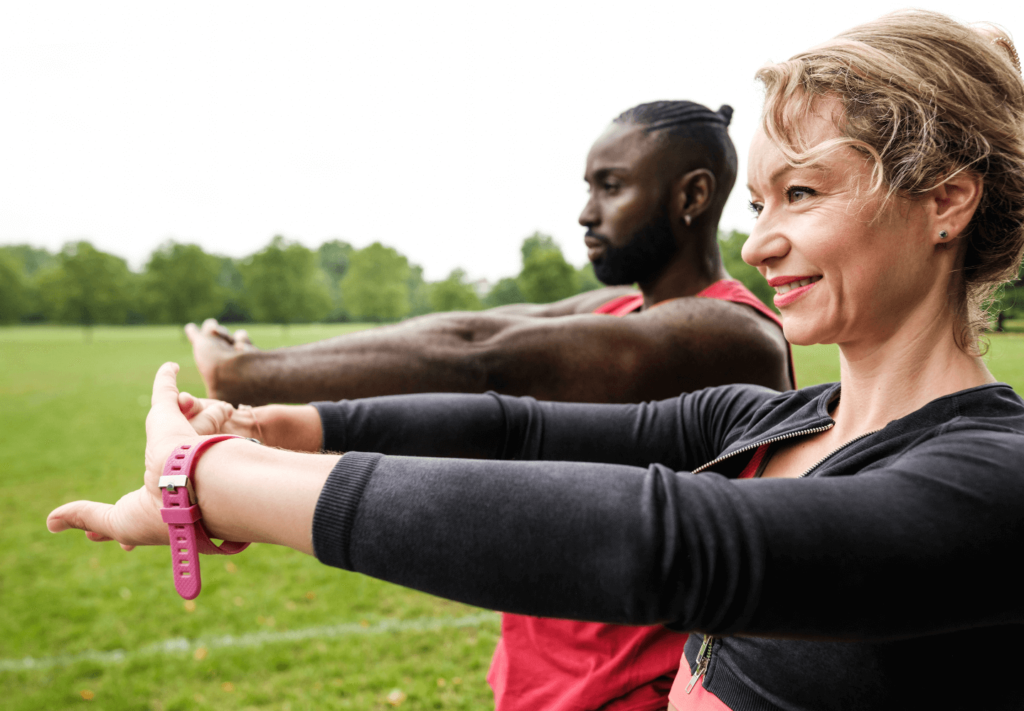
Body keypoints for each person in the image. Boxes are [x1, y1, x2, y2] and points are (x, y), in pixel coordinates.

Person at [48, 10, 1024, 711]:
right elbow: (509, 424)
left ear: (945, 200)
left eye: (803, 193)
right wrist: (276, 429)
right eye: (759, 203)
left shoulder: (994, 479)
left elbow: (664, 544)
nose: (763, 242)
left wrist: (209, 479)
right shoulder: (768, 421)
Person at [185, 101, 792, 407]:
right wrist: (267, 360)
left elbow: (481, 358)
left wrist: (247, 379)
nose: (586, 213)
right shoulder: (622, 306)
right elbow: (472, 325)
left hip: (649, 659)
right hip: (531, 654)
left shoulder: (727, 333)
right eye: (588, 188)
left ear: (692, 195)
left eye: (611, 187)